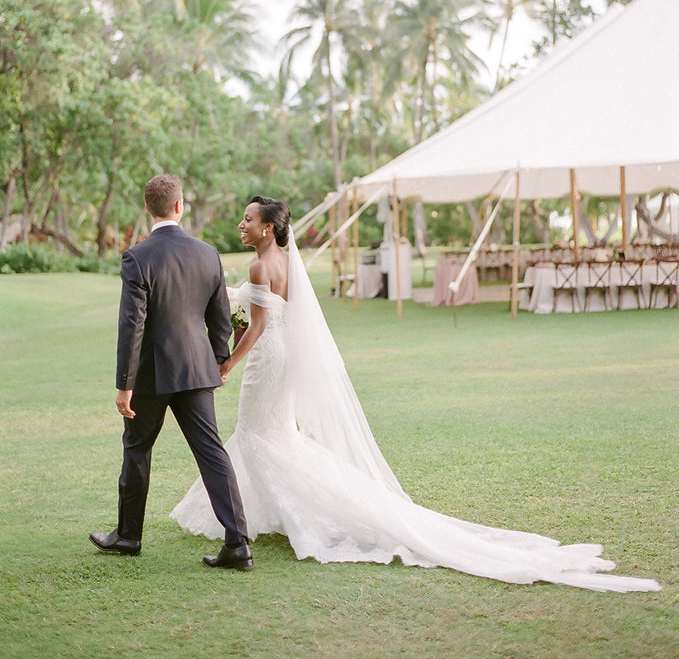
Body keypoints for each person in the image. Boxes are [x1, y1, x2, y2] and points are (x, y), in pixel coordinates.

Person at [170, 195, 660, 592]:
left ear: (270, 228)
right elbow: (278, 315)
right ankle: (258, 517)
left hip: (264, 359)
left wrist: (229, 361)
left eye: (248, 219)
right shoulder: (283, 266)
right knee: (273, 435)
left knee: (257, 438)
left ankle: (256, 526)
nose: (241, 224)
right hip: (283, 358)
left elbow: (255, 326)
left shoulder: (260, 269)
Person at [90, 174, 251, 571]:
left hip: (150, 376)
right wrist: (218, 360)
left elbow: (132, 326)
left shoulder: (137, 256)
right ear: (180, 206)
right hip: (197, 370)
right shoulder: (207, 253)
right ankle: (238, 544)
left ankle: (128, 536)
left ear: (148, 208)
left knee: (137, 449)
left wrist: (123, 385)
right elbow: (220, 321)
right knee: (212, 452)